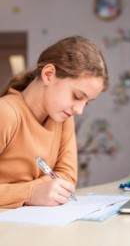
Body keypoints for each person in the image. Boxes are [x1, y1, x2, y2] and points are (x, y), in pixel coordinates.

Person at [0, 36, 109, 208]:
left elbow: (67, 177)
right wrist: (30, 193)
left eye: (85, 102)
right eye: (77, 96)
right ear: (49, 74)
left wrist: (27, 192)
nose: (79, 110)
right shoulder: (6, 113)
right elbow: (52, 184)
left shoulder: (63, 117)